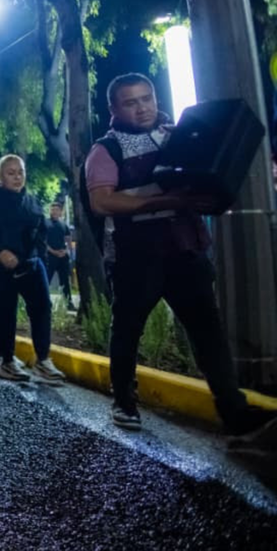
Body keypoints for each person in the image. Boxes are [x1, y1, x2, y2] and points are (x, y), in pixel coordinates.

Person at [86, 73, 275, 435]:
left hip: (185, 249)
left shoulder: (177, 135)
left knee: (208, 331)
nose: (142, 107)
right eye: (131, 102)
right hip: (135, 256)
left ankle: (234, 412)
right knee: (127, 331)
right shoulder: (106, 149)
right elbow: (102, 200)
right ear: (114, 109)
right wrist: (166, 200)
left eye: (146, 98)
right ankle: (124, 403)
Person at [0, 155, 66, 384]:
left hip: (31, 264)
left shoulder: (31, 201)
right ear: (0, 176)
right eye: (11, 173)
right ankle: (7, 361)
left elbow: (40, 232)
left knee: (42, 308)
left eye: (20, 172)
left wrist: (39, 258)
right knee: (6, 312)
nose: (17, 177)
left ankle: (43, 359)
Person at [44, 202, 74, 309]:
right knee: (46, 280)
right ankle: (44, 304)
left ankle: (69, 303)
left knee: (65, 281)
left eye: (56, 210)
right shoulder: (45, 223)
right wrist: (53, 251)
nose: (54, 212)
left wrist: (67, 251)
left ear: (60, 212)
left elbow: (68, 238)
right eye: (52, 210)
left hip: (63, 257)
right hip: (50, 257)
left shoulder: (63, 224)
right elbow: (42, 240)